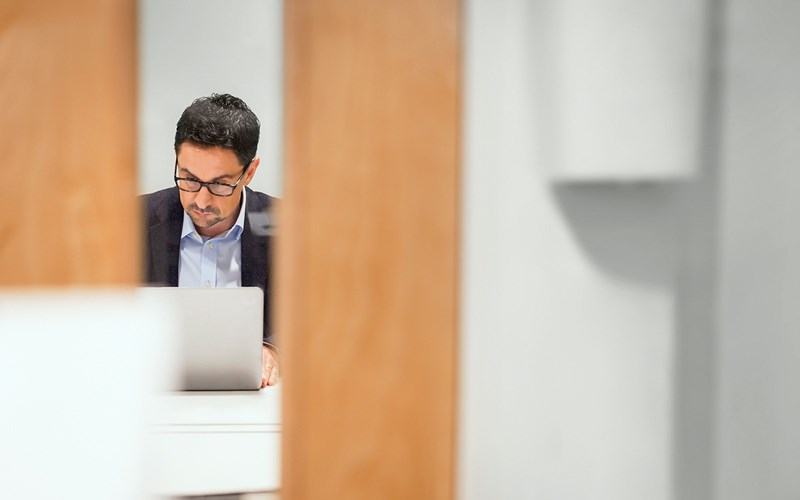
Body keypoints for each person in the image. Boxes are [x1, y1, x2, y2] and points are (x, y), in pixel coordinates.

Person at [141, 93, 279, 388]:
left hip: (258, 407)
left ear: (250, 173)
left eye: (219, 184)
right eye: (189, 178)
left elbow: (318, 320)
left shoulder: (292, 228)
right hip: (153, 398)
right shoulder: (129, 223)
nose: (200, 200)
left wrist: (274, 350)